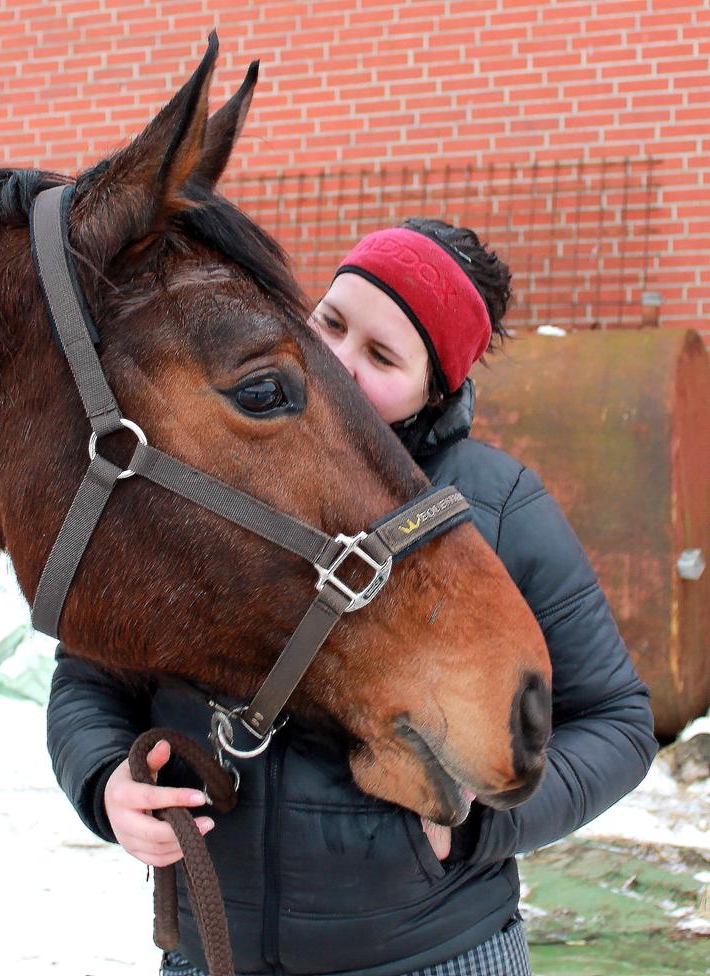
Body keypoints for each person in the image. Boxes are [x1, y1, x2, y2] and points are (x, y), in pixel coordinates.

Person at [46, 217, 658, 976]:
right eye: (329, 322)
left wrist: (471, 830)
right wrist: (104, 780)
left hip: (433, 956)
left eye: (381, 356)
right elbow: (90, 674)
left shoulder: (495, 508)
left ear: (435, 389)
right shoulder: (206, 475)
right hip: (215, 955)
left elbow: (618, 723)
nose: (334, 360)